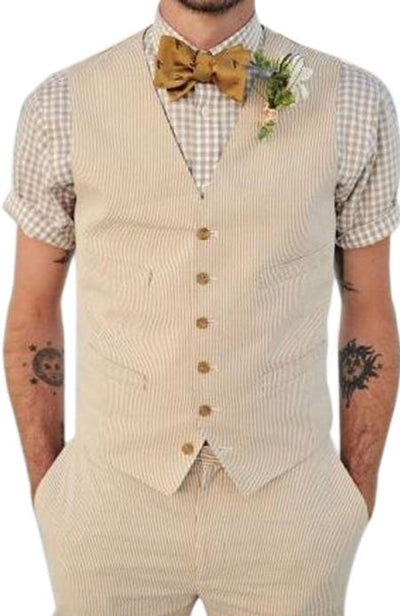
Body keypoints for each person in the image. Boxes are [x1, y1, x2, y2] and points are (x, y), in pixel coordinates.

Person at [3, 0, 400, 614]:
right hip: (108, 510)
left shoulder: (354, 101)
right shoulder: (61, 105)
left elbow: (370, 306)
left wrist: (353, 496)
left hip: (290, 510)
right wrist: (50, 492)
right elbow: (32, 312)